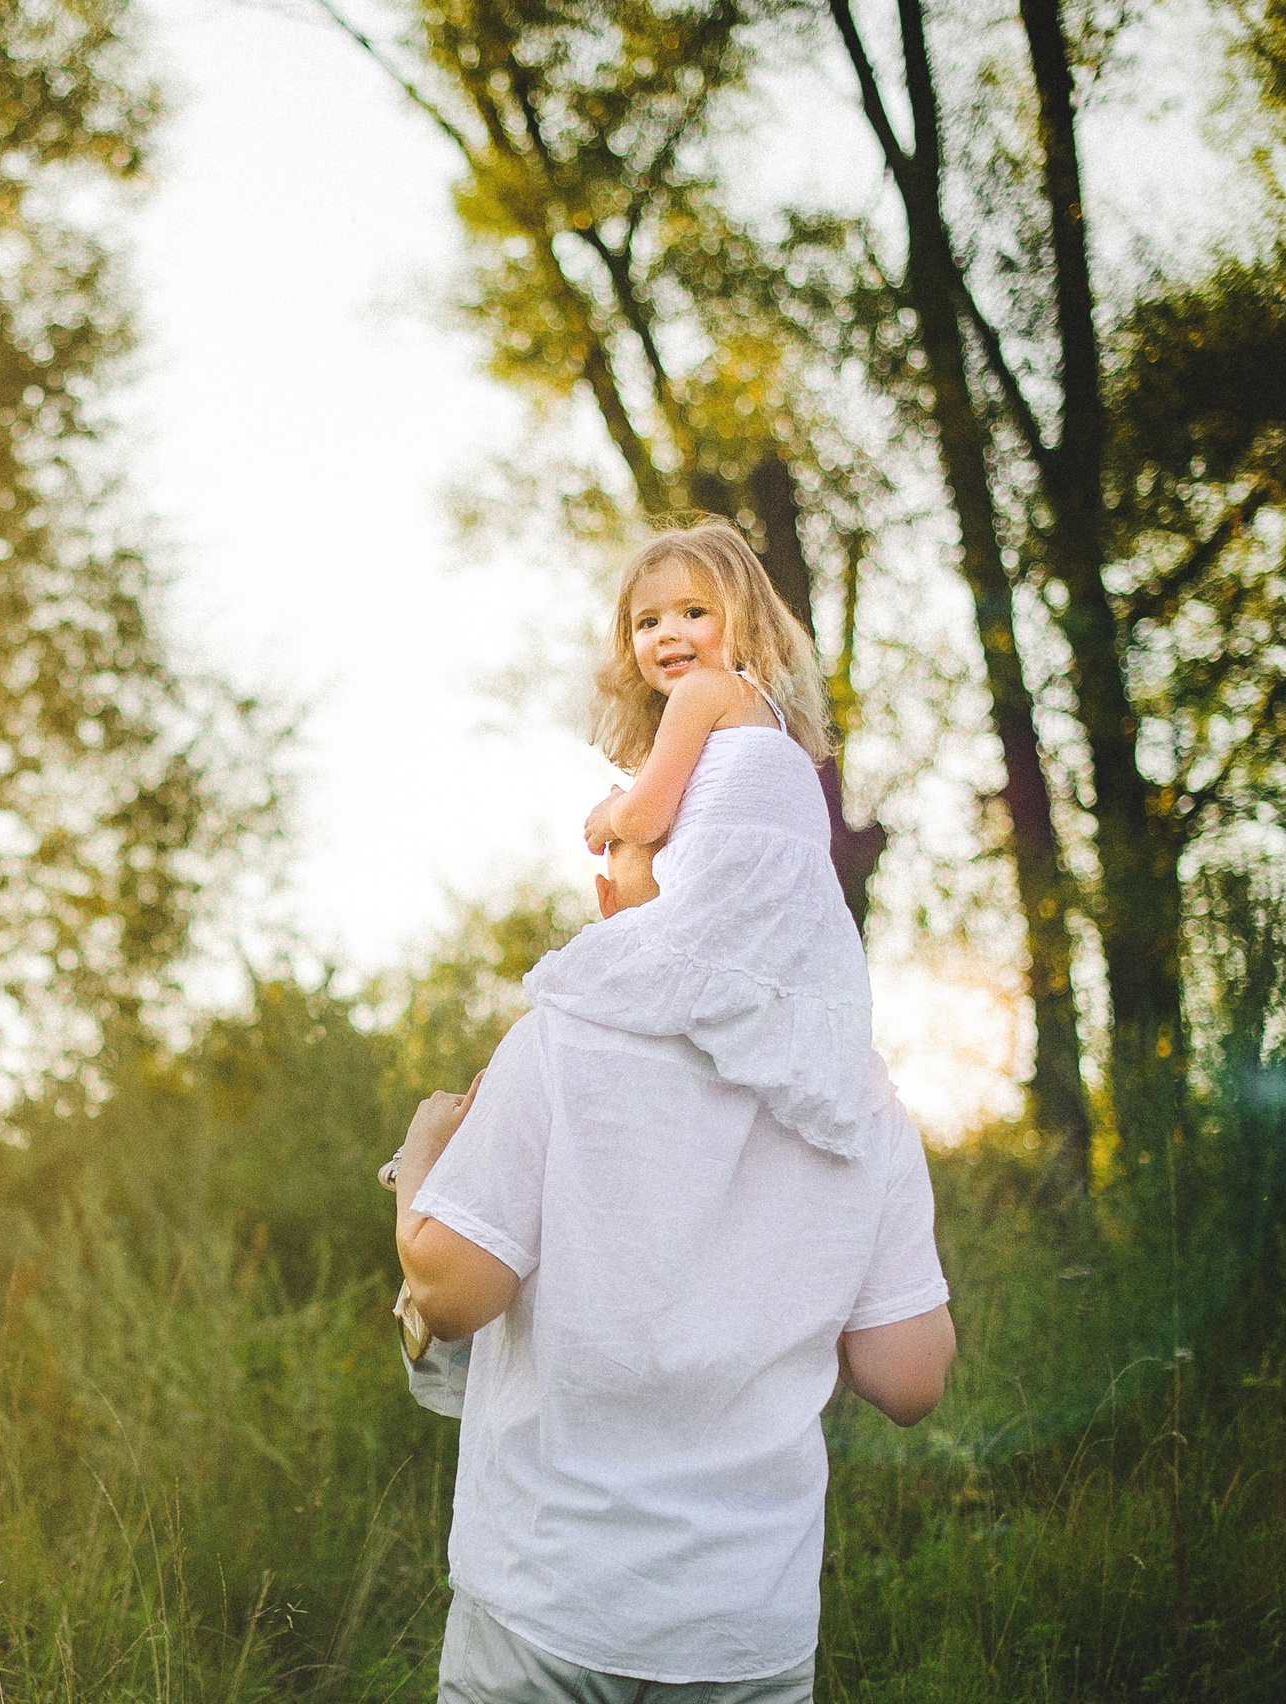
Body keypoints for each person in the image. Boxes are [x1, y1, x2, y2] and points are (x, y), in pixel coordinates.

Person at [389, 518, 956, 1701]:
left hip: (548, 1603)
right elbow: (909, 1378)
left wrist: (424, 1160)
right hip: (744, 1628)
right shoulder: (858, 1098)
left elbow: (452, 1290)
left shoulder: (563, 1041)